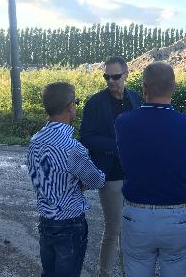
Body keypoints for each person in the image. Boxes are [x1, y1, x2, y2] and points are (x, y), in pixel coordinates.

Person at [115, 62, 186, 277]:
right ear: (173, 88)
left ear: (144, 88)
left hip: (136, 214)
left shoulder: (123, 122)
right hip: (178, 215)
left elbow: (126, 159)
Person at [28, 82, 105, 277]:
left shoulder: (35, 140)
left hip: (45, 221)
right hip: (69, 224)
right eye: (76, 102)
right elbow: (96, 180)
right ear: (70, 106)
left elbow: (42, 176)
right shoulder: (71, 147)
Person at [79, 57, 141, 277]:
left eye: (115, 76)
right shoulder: (95, 102)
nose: (111, 81)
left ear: (126, 74)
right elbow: (85, 137)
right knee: (113, 229)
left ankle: (129, 272)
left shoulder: (136, 98)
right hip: (111, 172)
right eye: (107, 76)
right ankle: (104, 273)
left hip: (134, 173)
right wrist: (116, 146)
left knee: (131, 229)